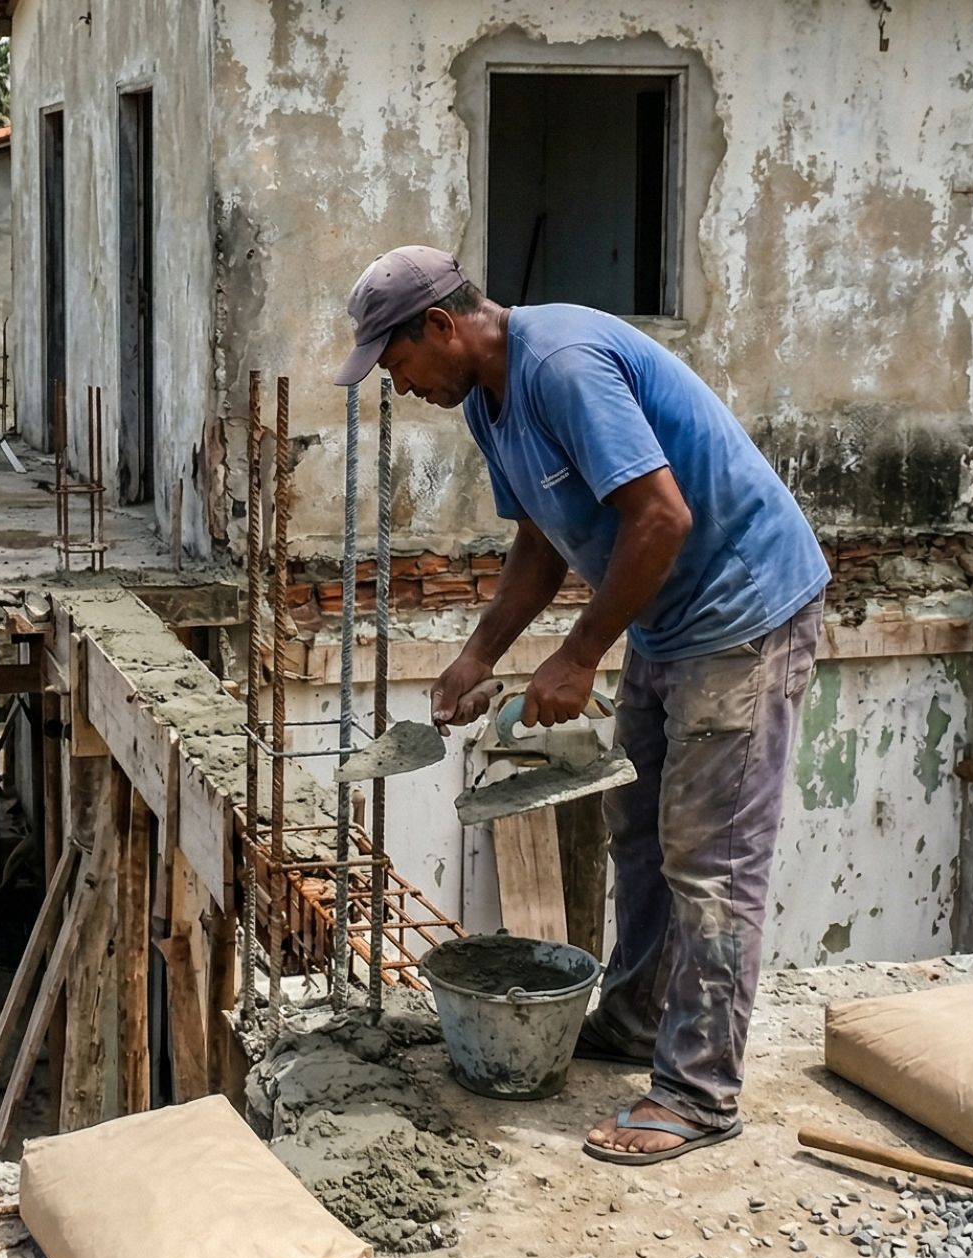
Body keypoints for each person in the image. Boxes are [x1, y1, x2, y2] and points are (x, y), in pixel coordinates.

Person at [333, 245, 829, 1166]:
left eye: (398, 365)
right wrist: (479, 653)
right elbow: (542, 540)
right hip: (670, 617)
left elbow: (662, 516)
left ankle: (700, 1091)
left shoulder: (560, 365)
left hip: (744, 609)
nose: (401, 388)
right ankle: (638, 1020)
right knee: (636, 827)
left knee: (711, 855)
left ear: (441, 325)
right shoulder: (486, 400)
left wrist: (578, 653)